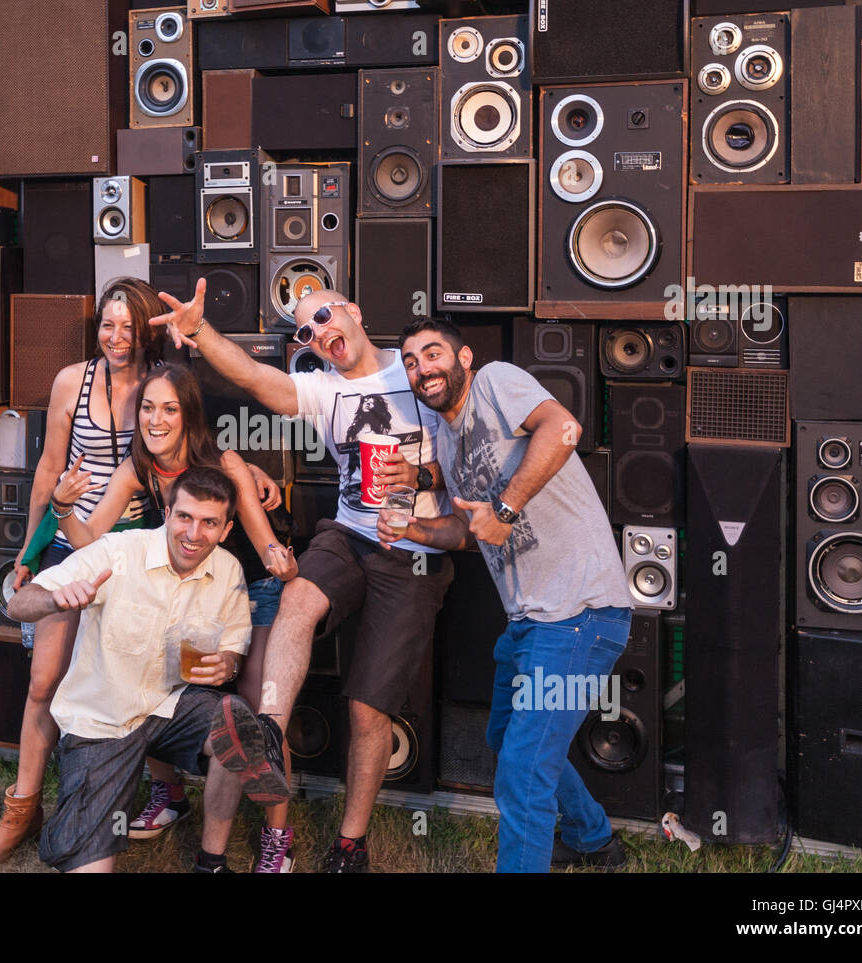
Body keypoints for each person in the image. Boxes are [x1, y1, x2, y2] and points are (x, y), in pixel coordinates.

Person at [0, 278, 280, 868]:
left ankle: (173, 794)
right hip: (78, 545)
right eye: (107, 325)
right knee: (45, 683)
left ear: (145, 331)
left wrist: (248, 474)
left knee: (154, 673)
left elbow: (203, 448)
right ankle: (23, 808)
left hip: (143, 555)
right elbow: (48, 469)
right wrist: (30, 549)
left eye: (127, 326)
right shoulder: (72, 381)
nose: (116, 337)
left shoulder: (160, 383)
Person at [151, 281, 454, 872]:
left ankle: (349, 845)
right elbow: (253, 377)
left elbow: (471, 459)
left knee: (368, 711)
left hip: (414, 546)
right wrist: (200, 330)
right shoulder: (323, 389)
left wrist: (419, 477)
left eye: (323, 316)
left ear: (354, 310)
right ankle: (265, 733)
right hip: (348, 533)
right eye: (305, 331)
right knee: (297, 600)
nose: (318, 333)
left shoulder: (416, 370)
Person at [381, 317, 634, 873]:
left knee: (523, 771)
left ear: (463, 357)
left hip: (579, 612)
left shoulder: (496, 382)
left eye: (432, 353)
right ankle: (594, 841)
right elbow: (465, 533)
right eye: (410, 360)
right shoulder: (447, 440)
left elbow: (563, 429)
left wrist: (504, 509)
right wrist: (414, 531)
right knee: (505, 738)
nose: (422, 367)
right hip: (528, 622)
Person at [52, 363, 300, 872]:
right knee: (152, 680)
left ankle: (278, 836)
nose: (156, 419)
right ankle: (172, 794)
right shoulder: (137, 468)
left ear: (188, 415)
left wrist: (283, 561)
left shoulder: (224, 461)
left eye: (169, 408)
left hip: (251, 586)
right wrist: (63, 509)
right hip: (193, 590)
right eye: (147, 407)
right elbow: (90, 544)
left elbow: (261, 538)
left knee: (255, 714)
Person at [7, 467, 277, 873]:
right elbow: (18, 604)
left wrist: (228, 664)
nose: (193, 533)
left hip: (170, 707)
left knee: (236, 721)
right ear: (167, 513)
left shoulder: (228, 571)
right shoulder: (118, 552)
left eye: (209, 523)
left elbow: (234, 649)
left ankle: (211, 862)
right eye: (185, 517)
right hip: (104, 720)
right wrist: (57, 599)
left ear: (226, 530)